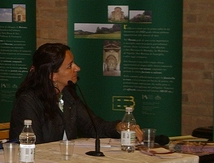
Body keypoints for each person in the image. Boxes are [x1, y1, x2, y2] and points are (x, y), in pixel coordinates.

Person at [9, 42, 143, 143]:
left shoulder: (68, 94)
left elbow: (92, 126)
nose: (77, 68)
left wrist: (118, 127)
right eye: (70, 66)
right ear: (53, 75)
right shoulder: (28, 100)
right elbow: (33, 144)